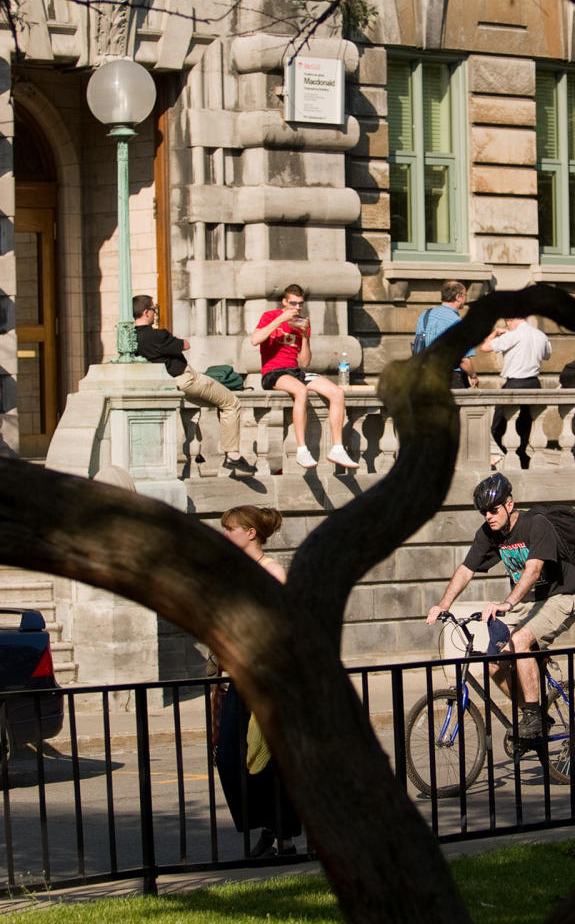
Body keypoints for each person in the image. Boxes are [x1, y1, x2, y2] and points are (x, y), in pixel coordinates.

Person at [426, 473, 575, 746]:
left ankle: (533, 715)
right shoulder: (490, 534)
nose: (488, 516)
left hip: (560, 597)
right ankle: (535, 716)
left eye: (493, 509)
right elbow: (466, 569)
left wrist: (508, 603)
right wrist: (444, 605)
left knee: (520, 640)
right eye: (483, 511)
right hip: (529, 604)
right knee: (495, 664)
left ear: (509, 504)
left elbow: (533, 571)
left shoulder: (536, 525)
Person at [211, 505, 301, 858]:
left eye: (230, 528)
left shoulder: (271, 571)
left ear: (251, 533)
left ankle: (286, 838)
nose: (225, 534)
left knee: (271, 759)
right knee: (231, 758)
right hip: (238, 678)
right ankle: (267, 826)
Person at [133, 294, 254, 475]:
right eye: (153, 309)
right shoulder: (158, 335)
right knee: (231, 402)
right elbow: (186, 344)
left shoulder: (131, 339)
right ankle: (233, 455)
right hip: (187, 380)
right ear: (146, 312)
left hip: (166, 384)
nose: (154, 313)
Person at [249, 285, 357, 470]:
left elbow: (305, 362)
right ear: (284, 302)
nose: (297, 307)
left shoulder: (302, 322)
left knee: (337, 393)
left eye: (300, 304)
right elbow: (255, 340)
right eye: (293, 303)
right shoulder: (271, 316)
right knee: (300, 391)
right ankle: (302, 449)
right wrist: (281, 319)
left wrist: (304, 337)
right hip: (274, 372)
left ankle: (337, 448)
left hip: (295, 370)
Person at [480, 316, 551, 467]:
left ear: (510, 320)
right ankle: (521, 457)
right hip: (533, 383)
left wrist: (495, 333)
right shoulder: (540, 335)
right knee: (524, 425)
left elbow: (485, 347)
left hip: (515, 383)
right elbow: (547, 355)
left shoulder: (513, 335)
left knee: (498, 426)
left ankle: (503, 457)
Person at [412, 280, 478, 389]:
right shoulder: (458, 323)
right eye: (465, 295)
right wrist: (473, 376)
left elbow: (418, 346)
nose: (466, 299)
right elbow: (463, 359)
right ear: (458, 297)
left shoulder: (425, 315)